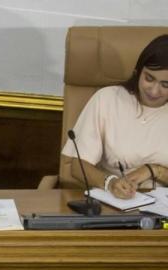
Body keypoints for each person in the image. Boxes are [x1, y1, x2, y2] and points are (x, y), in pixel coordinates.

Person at [64, 34, 168, 199]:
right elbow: (78, 166)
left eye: (166, 85)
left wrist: (154, 171)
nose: (154, 91)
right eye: (149, 78)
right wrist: (110, 183)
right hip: (114, 201)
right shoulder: (107, 99)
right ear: (138, 71)